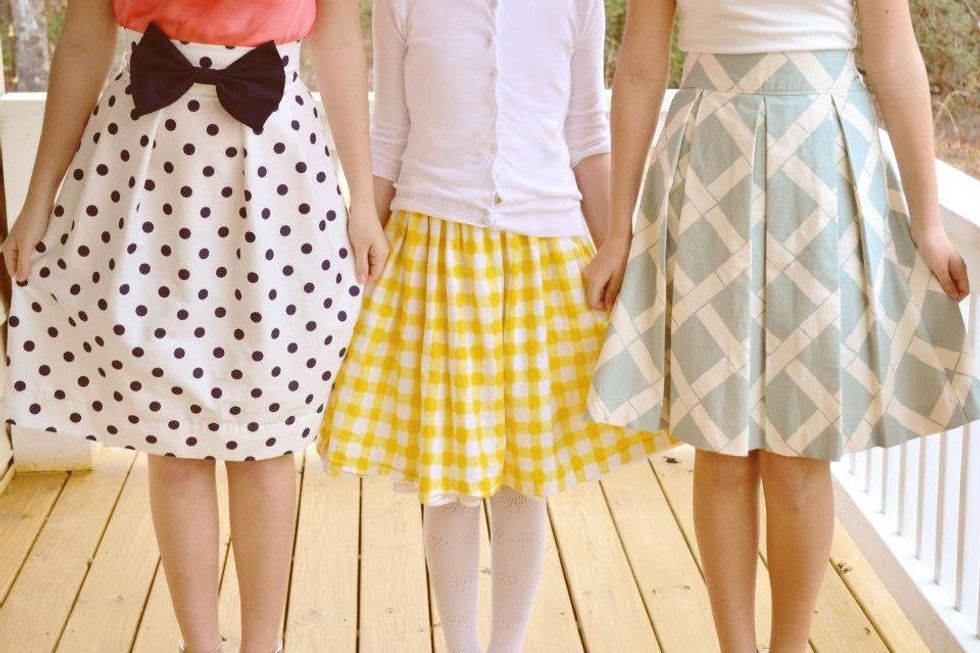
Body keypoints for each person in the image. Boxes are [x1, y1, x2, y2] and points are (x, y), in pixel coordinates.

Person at [586, 0, 980, 651]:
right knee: (720, 444)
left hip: (822, 159)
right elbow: (641, 66)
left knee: (800, 451)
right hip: (710, 156)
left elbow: (893, 57)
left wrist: (929, 224)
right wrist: (618, 230)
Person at [0, 1, 387, 651]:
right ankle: (199, 646)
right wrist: (39, 196)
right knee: (173, 438)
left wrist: (364, 204)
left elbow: (341, 44)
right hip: (145, 166)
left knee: (267, 437)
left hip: (278, 166)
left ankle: (263, 646)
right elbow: (84, 44)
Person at [318, 1, 672, 650]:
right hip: (435, 253)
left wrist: (615, 247)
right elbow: (390, 131)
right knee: (451, 481)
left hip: (547, 257)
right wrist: (366, 225)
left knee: (523, 481)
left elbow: (586, 133)